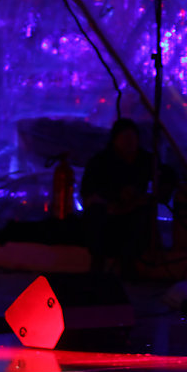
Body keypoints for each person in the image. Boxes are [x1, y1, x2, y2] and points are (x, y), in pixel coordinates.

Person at [79, 118, 158, 275]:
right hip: (106, 211)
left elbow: (163, 181)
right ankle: (98, 261)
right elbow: (88, 191)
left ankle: (129, 262)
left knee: (141, 217)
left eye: (132, 138)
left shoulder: (146, 161)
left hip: (134, 212)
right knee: (96, 216)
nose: (129, 143)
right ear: (115, 140)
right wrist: (111, 199)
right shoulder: (100, 162)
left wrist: (139, 199)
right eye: (125, 138)